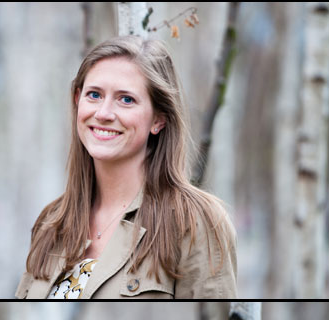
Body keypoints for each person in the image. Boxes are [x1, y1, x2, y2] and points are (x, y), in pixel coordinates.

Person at [15, 37, 237, 299]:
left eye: (126, 99)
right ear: (78, 100)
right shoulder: (51, 223)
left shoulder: (196, 221)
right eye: (94, 95)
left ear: (159, 119)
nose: (104, 113)